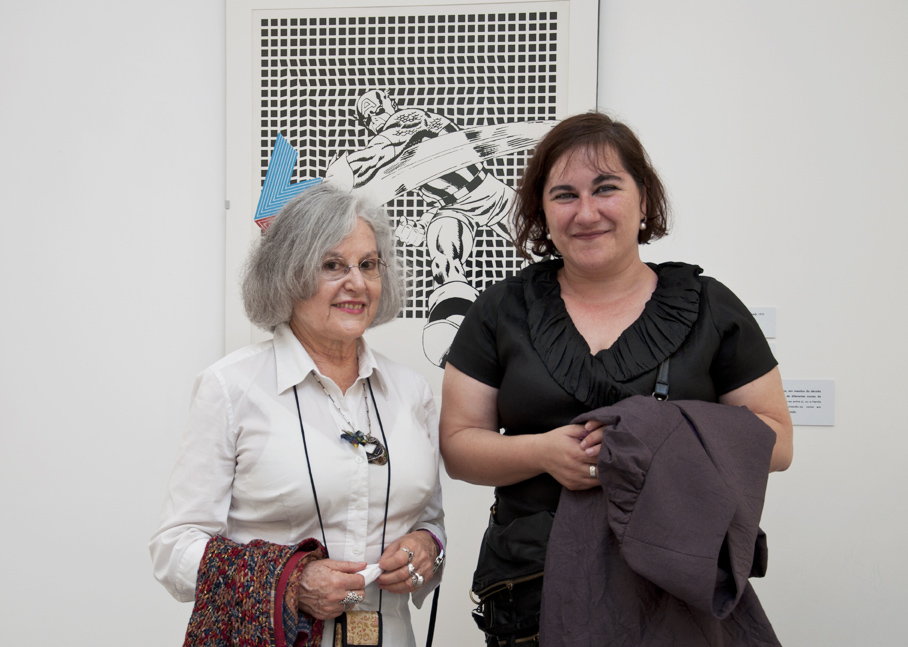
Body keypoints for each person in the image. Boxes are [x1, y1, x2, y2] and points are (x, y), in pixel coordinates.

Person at [439, 112, 793, 646]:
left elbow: (778, 441)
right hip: (532, 597)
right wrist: (543, 453)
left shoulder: (710, 307)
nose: (587, 213)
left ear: (643, 199)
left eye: (606, 188)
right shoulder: (500, 310)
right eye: (564, 195)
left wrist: (655, 439)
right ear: (541, 211)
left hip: (673, 593)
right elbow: (459, 446)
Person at [149, 184, 445, 646]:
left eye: (368, 264)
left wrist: (428, 548)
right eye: (332, 265)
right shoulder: (230, 387)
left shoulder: (412, 392)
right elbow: (174, 550)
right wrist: (291, 581)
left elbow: (430, 522)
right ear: (289, 274)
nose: (357, 283)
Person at [326, 89, 516, 367]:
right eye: (368, 118)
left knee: (542, 243)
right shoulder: (400, 152)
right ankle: (452, 327)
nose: (375, 118)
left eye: (377, 109)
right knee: (443, 257)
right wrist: (422, 226)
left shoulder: (409, 119)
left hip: (490, 194)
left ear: (390, 102)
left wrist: (342, 173)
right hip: (453, 207)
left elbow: (380, 150)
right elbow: (437, 190)